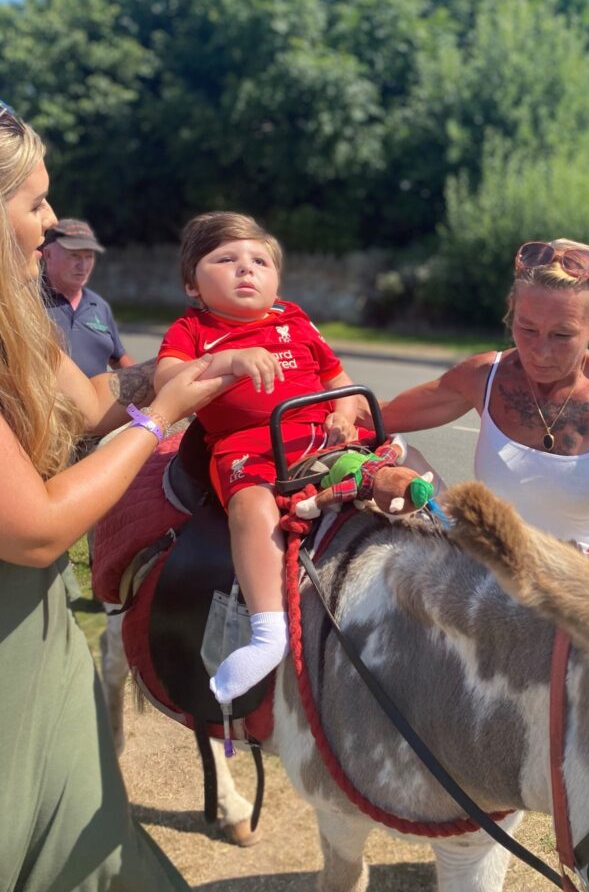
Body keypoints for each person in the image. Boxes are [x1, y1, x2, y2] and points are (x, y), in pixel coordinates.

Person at [0, 98, 233, 891]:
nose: (52, 222)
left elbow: (98, 406)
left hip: (39, 636)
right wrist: (161, 416)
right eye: (34, 203)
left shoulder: (17, 327)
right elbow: (34, 531)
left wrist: (179, 366)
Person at [155, 211, 362, 704]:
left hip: (325, 436)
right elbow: (166, 383)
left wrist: (347, 410)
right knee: (250, 506)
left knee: (403, 455)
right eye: (225, 259)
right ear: (192, 284)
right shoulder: (195, 328)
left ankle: (453, 541)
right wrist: (224, 361)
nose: (246, 269)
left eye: (260, 261)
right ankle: (269, 632)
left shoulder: (295, 319)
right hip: (250, 447)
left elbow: (339, 379)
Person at [380, 238, 589, 582]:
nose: (540, 352)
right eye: (527, 328)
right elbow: (377, 417)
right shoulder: (483, 377)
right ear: (511, 310)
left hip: (588, 589)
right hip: (495, 580)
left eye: (562, 335)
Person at [42, 217, 135, 376]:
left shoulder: (99, 305)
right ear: (48, 254)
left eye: (89, 256)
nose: (83, 266)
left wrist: (143, 393)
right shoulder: (26, 300)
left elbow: (118, 358)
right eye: (74, 255)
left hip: (96, 401)